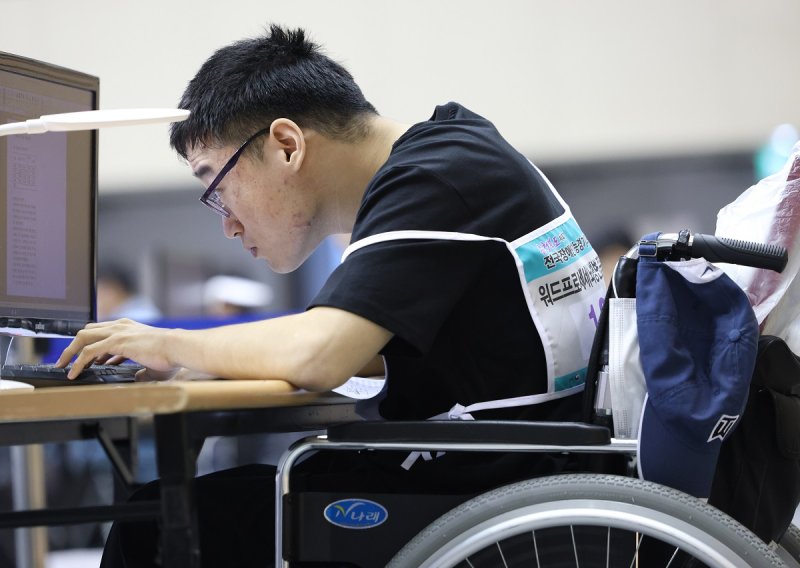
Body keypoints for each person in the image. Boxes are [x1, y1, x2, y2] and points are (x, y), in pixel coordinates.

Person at [57, 24, 606, 567]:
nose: (227, 224)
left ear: (287, 146)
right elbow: (370, 346)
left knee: (151, 525)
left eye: (218, 188)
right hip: (510, 481)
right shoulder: (457, 151)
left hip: (486, 504)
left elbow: (320, 353)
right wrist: (218, 359)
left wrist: (167, 342)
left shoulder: (435, 178)